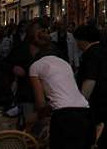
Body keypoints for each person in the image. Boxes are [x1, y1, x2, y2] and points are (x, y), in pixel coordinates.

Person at [28, 20, 93, 149]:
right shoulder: (64, 63)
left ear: (32, 47)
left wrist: (32, 119)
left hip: (64, 117)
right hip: (85, 113)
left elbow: (41, 103)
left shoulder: (35, 66)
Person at [74, 24, 107, 149]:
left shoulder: (90, 55)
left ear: (82, 40)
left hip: (96, 106)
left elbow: (90, 81)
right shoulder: (103, 50)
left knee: (96, 140)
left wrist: (80, 102)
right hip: (106, 104)